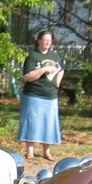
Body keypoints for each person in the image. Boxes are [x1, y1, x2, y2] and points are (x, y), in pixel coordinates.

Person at [18, 29, 64, 161]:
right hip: (33, 95)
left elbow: (61, 70)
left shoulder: (55, 56)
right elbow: (27, 76)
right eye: (45, 40)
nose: (47, 43)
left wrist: (57, 83)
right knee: (31, 123)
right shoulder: (33, 56)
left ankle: (47, 152)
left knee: (48, 124)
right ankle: (30, 152)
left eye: (49, 40)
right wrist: (43, 70)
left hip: (50, 97)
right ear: (39, 41)